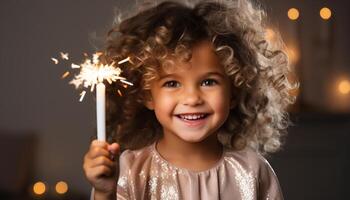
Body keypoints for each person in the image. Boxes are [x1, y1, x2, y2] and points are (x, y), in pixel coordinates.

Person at [83, 0, 296, 199]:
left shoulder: (253, 171)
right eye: (172, 83)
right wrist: (104, 192)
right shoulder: (130, 170)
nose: (192, 98)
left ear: (234, 91)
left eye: (208, 82)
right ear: (147, 95)